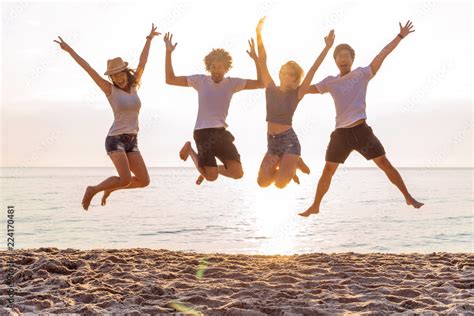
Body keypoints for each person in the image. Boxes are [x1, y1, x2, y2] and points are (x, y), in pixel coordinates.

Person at [299, 20, 423, 217]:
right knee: (328, 171)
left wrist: (399, 37)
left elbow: (382, 54)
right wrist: (325, 49)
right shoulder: (329, 82)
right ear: (335, 61)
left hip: (361, 131)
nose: (343, 59)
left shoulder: (362, 74)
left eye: (346, 56)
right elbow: (303, 89)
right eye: (339, 56)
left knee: (385, 164)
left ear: (352, 58)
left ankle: (408, 196)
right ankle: (315, 205)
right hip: (341, 134)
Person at [54, 24, 160, 210]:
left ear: (126, 72)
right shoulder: (109, 90)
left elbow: (143, 63)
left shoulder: (134, 86)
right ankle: (93, 189)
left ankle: (111, 188)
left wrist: (149, 39)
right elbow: (89, 69)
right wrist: (70, 50)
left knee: (144, 181)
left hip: (132, 140)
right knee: (126, 178)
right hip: (115, 139)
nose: (118, 78)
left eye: (120, 74)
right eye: (114, 75)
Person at [163, 32, 264, 185]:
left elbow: (261, 83)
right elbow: (170, 79)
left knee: (238, 173)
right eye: (213, 67)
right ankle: (190, 150)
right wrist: (168, 53)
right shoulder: (200, 81)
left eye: (220, 67)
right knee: (212, 177)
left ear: (226, 68)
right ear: (208, 67)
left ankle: (208, 169)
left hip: (221, 133)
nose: (216, 70)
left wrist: (257, 60)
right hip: (202, 133)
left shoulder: (232, 83)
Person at [255, 17, 335, 189]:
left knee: (280, 184)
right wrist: (258, 34)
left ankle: (292, 163)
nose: (287, 75)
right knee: (262, 182)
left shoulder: (297, 94)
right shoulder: (270, 88)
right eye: (285, 71)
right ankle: (292, 165)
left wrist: (327, 47)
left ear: (296, 78)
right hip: (272, 143)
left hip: (289, 141)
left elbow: (313, 69)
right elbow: (263, 61)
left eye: (292, 74)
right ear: (281, 73)